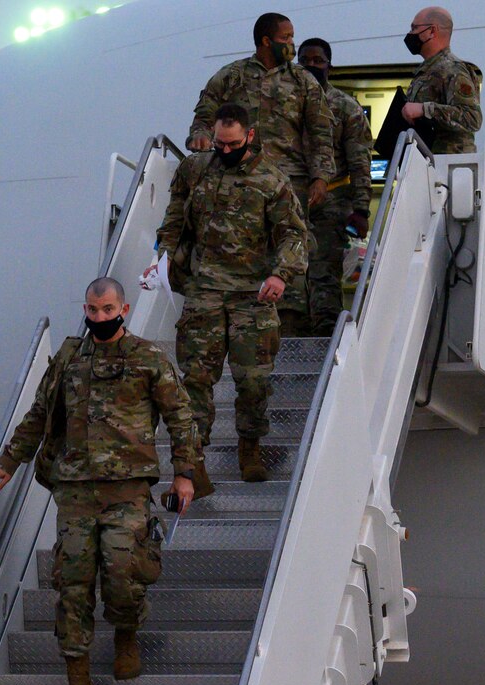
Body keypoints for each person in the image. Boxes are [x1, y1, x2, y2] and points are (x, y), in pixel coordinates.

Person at [0, 278, 199, 685]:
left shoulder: (149, 358)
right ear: (86, 309)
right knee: (72, 587)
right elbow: (39, 414)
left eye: (107, 309)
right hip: (74, 490)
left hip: (128, 490)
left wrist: (185, 475)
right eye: (92, 310)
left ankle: (126, 634)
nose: (98, 317)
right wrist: (9, 461)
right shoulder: (68, 358)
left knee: (123, 575)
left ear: (124, 308)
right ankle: (79, 684)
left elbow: (181, 417)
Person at [154, 103, 307, 482]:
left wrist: (281, 275)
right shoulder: (196, 168)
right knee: (196, 380)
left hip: (251, 293)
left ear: (250, 137)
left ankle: (250, 447)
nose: (224, 151)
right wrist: (162, 256)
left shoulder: (271, 180)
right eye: (219, 145)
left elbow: (294, 234)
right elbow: (175, 215)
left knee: (253, 379)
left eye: (233, 144)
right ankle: (195, 461)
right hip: (203, 288)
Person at [187, 12, 335, 335]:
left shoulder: (303, 82)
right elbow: (205, 112)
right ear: (266, 41)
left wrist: (321, 176)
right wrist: (200, 135)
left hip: (289, 183)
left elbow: (321, 133)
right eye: (287, 38)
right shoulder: (232, 77)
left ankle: (292, 330)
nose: (292, 45)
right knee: (241, 250)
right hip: (240, 180)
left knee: (292, 247)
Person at [298, 38, 373, 336]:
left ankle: (325, 341)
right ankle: (293, 338)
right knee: (290, 273)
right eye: (306, 60)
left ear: (330, 65)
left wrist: (361, 208)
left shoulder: (345, 106)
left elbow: (359, 161)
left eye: (318, 60)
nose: (312, 66)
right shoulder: (285, 106)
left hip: (331, 199)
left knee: (324, 272)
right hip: (291, 198)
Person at [402, 6, 482, 153]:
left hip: (449, 166)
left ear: (432, 31)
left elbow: (472, 118)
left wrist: (424, 109)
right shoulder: (427, 70)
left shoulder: (452, 69)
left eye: (414, 28)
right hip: (429, 163)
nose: (410, 34)